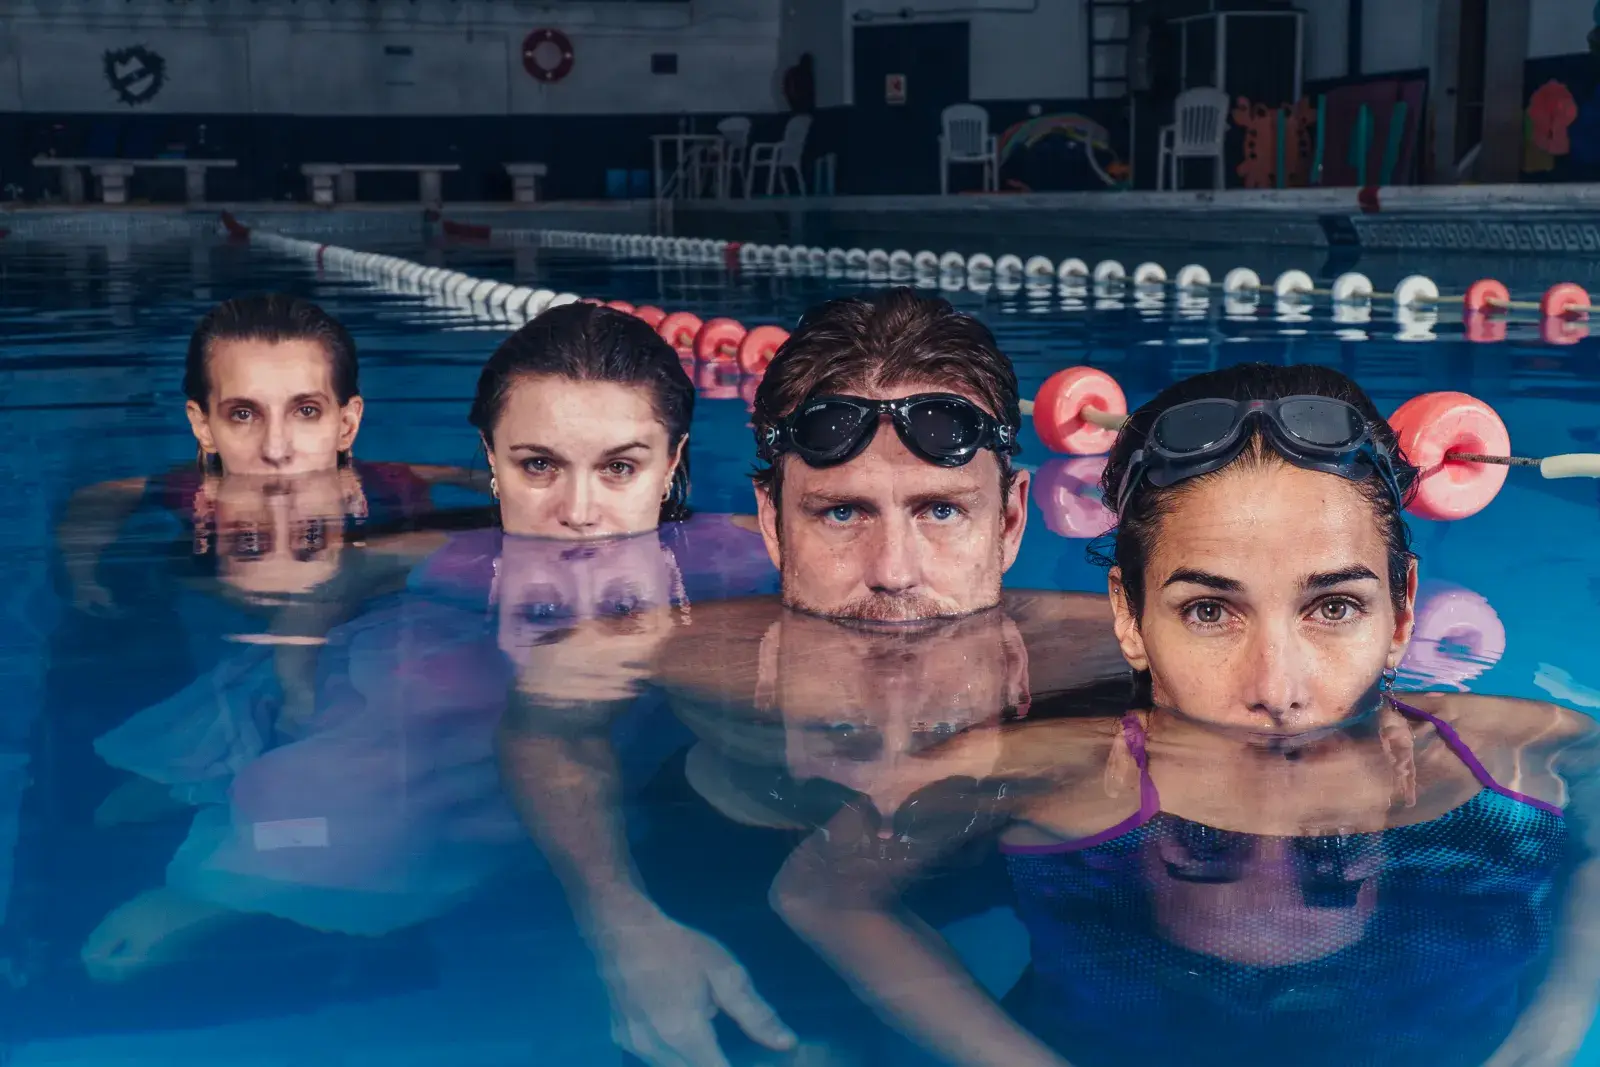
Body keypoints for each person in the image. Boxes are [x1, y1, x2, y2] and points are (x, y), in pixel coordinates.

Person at [768, 362, 1600, 1067]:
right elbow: (822, 893)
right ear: (1129, 616)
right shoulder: (1040, 770)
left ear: (1405, 611)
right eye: (1210, 611)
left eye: (1335, 607)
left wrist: (1554, 1026)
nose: (1278, 685)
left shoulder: (1513, 749)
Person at [499, 289, 1045, 1067]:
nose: (893, 572)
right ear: (771, 519)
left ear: (1012, 519)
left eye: (940, 511)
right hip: (738, 865)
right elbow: (544, 726)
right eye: (841, 514)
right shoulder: (693, 648)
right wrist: (619, 917)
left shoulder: (1092, 647)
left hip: (974, 858)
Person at [55, 293, 482, 618]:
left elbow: (453, 477)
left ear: (346, 425)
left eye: (306, 411)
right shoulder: (191, 489)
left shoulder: (390, 488)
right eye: (243, 414)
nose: (276, 450)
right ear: (204, 427)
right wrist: (82, 575)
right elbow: (102, 498)